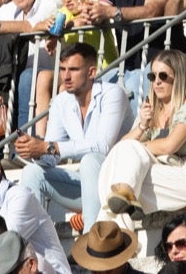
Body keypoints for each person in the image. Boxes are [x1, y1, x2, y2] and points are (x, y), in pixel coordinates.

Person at [96, 51, 186, 228]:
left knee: (122, 176)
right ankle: (121, 224)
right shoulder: (153, 109)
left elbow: (170, 145)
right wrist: (141, 126)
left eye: (163, 76)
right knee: (122, 174)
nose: (156, 82)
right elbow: (122, 148)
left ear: (179, 77)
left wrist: (138, 145)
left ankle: (111, 243)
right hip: (173, 171)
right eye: (152, 76)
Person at [16, 42, 130, 229]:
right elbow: (50, 158)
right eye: (62, 69)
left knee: (91, 160)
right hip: (88, 189)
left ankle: (91, 239)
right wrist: (35, 150)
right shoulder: (61, 101)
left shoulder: (113, 94)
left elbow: (103, 146)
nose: (66, 76)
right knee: (32, 172)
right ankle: (35, 245)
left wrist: (48, 147)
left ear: (92, 72)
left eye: (74, 70)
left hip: (120, 186)